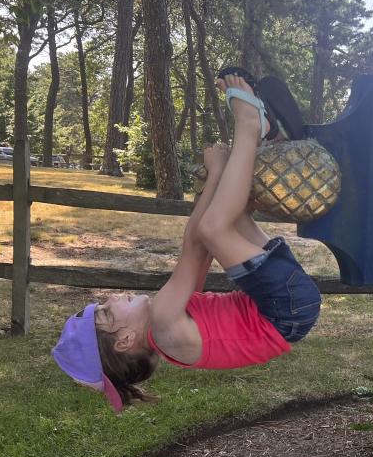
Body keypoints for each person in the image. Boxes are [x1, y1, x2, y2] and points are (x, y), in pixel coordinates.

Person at [51, 73, 321, 412]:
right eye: (106, 311)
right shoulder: (163, 321)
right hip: (283, 307)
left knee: (230, 215)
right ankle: (249, 125)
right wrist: (217, 176)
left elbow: (196, 246)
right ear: (124, 340)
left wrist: (215, 181)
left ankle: (267, 137)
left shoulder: (166, 331)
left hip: (288, 306)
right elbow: (198, 243)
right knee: (215, 225)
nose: (112, 296)